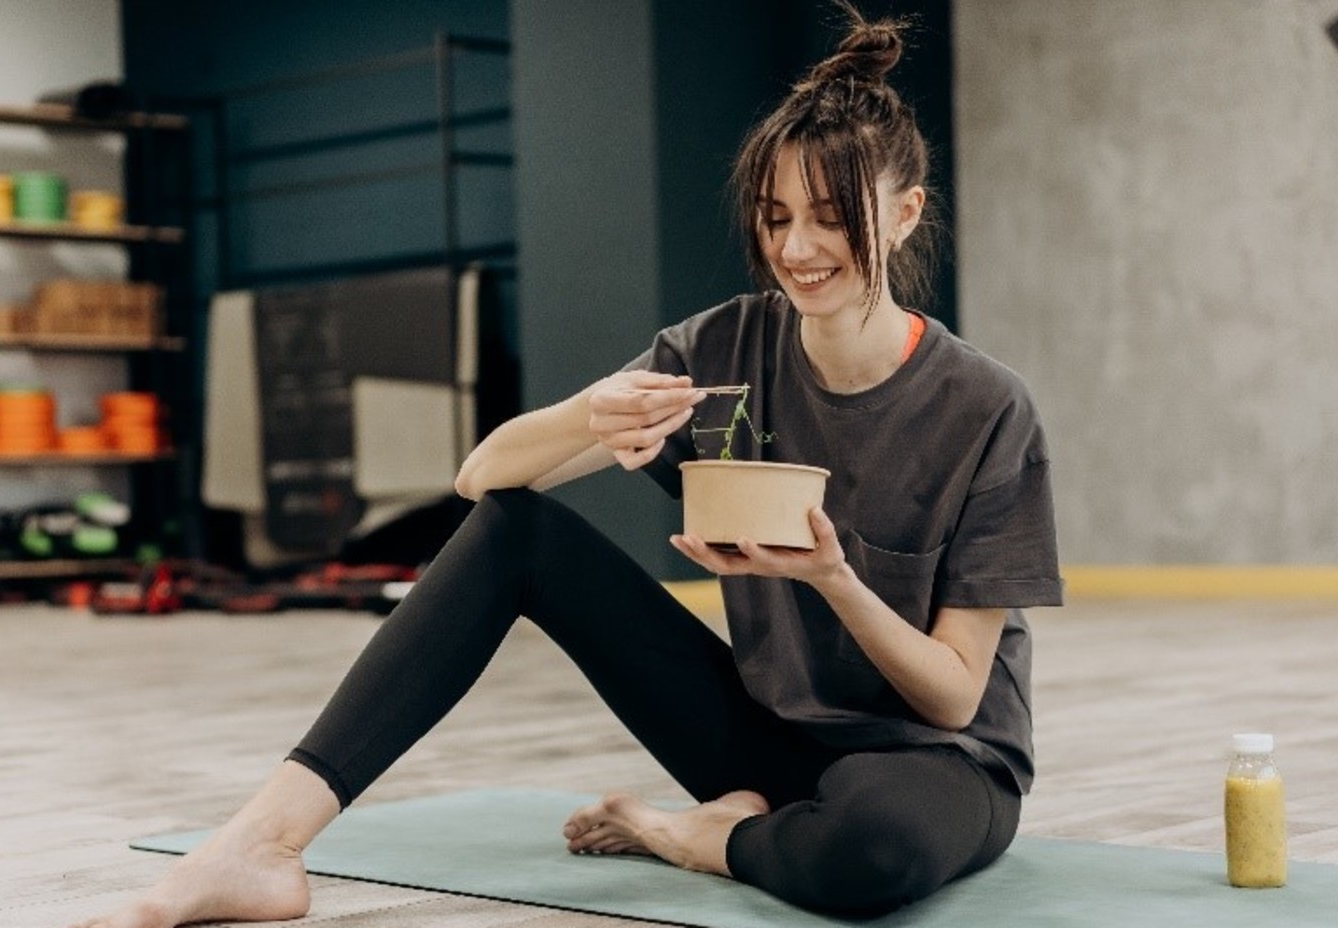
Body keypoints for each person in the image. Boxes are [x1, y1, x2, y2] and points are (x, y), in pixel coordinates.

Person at [72, 8, 1061, 927]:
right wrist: (590, 413)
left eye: (831, 217)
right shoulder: (722, 350)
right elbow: (482, 476)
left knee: (875, 851)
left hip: (938, 765)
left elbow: (950, 697)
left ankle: (694, 832)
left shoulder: (986, 407)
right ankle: (262, 841)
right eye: (773, 217)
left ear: (902, 214)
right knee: (516, 529)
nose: (796, 248)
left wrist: (832, 575)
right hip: (767, 739)